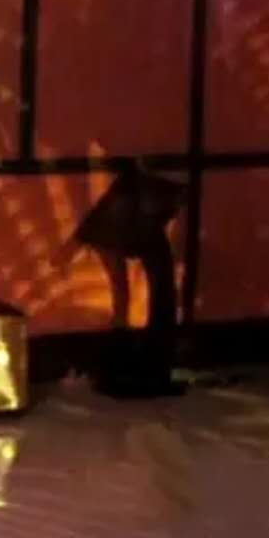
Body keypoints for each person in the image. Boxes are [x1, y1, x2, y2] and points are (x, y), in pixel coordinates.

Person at [70, 164, 187, 398]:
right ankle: (127, 362)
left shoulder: (133, 204)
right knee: (137, 293)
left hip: (137, 202)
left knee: (142, 292)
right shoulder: (130, 206)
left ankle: (131, 362)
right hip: (132, 206)